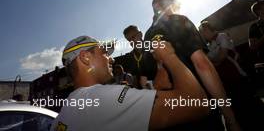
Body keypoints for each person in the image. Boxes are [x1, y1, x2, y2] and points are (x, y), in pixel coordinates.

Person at [50, 35, 209, 131]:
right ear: (85, 57)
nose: (110, 58)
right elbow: (197, 104)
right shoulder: (104, 99)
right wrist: (169, 56)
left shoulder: (60, 117)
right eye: (104, 53)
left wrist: (155, 89)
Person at [144, 0, 240, 131]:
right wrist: (230, 118)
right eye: (171, 3)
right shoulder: (179, 20)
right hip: (199, 106)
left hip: (171, 113)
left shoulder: (147, 36)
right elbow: (202, 65)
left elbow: (150, 82)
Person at [199, 21, 264, 131]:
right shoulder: (208, 46)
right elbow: (212, 63)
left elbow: (222, 56)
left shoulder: (222, 36)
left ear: (208, 30)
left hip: (238, 78)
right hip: (225, 84)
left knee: (252, 106)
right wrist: (215, 61)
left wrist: (215, 61)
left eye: (202, 31)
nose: (201, 35)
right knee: (240, 112)